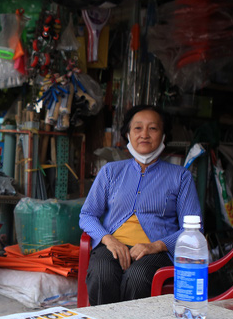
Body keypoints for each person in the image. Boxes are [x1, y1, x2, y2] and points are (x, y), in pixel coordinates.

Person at [79, 104, 201, 305]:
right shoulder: (110, 172)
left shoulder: (180, 177)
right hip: (112, 246)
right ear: (127, 134)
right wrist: (109, 240)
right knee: (102, 274)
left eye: (153, 128)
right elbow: (88, 214)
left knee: (137, 278)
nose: (144, 134)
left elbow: (193, 229)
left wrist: (156, 246)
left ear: (163, 136)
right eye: (137, 128)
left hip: (155, 252)